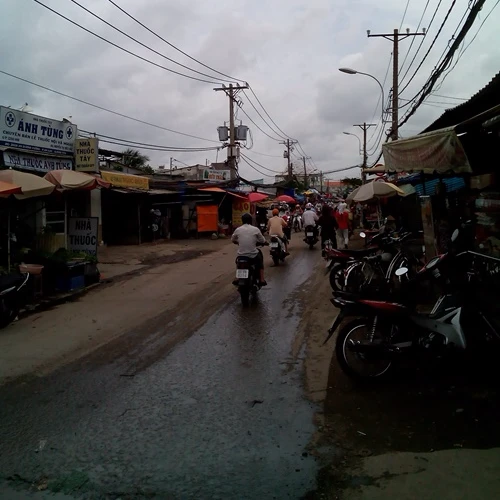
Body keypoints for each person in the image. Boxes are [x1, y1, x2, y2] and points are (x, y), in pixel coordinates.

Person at [231, 213, 267, 286]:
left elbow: (233, 239)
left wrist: (238, 242)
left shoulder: (238, 229)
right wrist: (265, 243)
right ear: (251, 220)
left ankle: (237, 277)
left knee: (238, 263)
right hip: (252, 255)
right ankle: (262, 279)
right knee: (260, 260)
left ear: (242, 220)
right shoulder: (255, 229)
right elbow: (262, 240)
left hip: (241, 255)